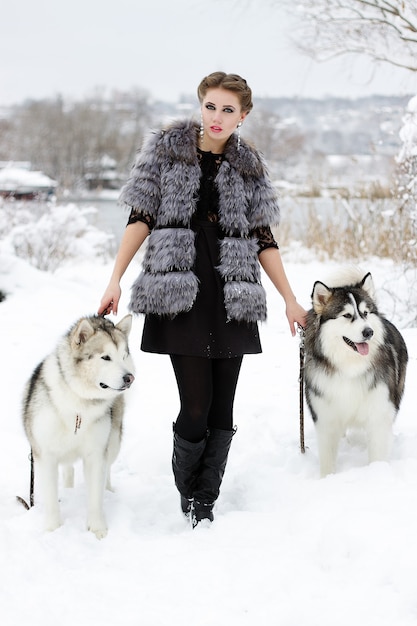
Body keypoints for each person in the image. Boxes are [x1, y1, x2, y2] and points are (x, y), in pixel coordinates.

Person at [98, 71, 307, 528]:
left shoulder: (249, 166)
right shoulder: (167, 150)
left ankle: (204, 500)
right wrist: (115, 279)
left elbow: (263, 239)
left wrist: (290, 299)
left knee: (223, 408)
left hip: (232, 289)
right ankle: (187, 488)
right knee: (195, 405)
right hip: (179, 288)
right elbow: (141, 218)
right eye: (210, 106)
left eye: (228, 110)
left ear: (243, 116)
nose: (216, 117)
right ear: (201, 106)